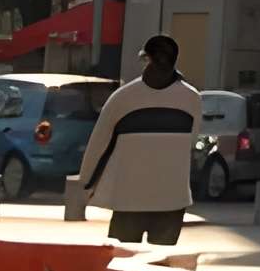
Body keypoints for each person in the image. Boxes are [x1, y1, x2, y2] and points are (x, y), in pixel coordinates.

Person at [73, 33, 199, 246]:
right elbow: (190, 143)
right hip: (172, 198)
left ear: (147, 59)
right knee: (160, 266)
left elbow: (99, 145)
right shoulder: (192, 98)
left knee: (122, 262)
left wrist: (85, 185)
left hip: (128, 198)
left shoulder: (124, 97)